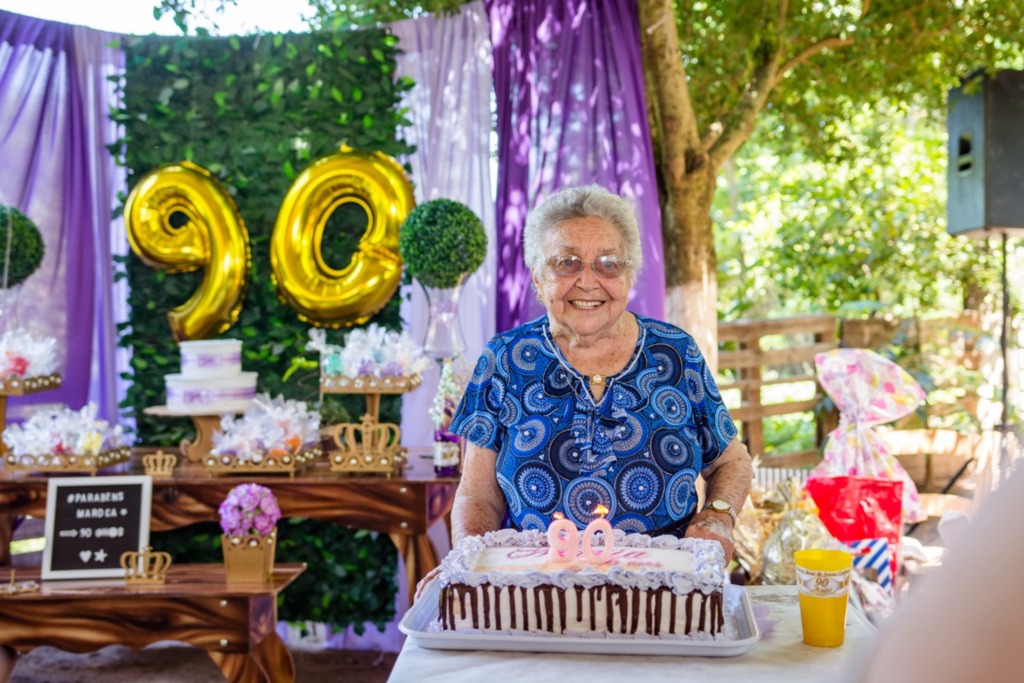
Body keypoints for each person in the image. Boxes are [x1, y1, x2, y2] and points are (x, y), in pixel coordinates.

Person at [415, 184, 752, 600]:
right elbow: (478, 495)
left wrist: (718, 515)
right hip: (532, 596)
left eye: (608, 264)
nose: (588, 281)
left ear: (629, 275)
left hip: (665, 597)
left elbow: (731, 461)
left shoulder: (676, 353)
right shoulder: (503, 359)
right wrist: (468, 563)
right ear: (538, 277)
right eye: (566, 262)